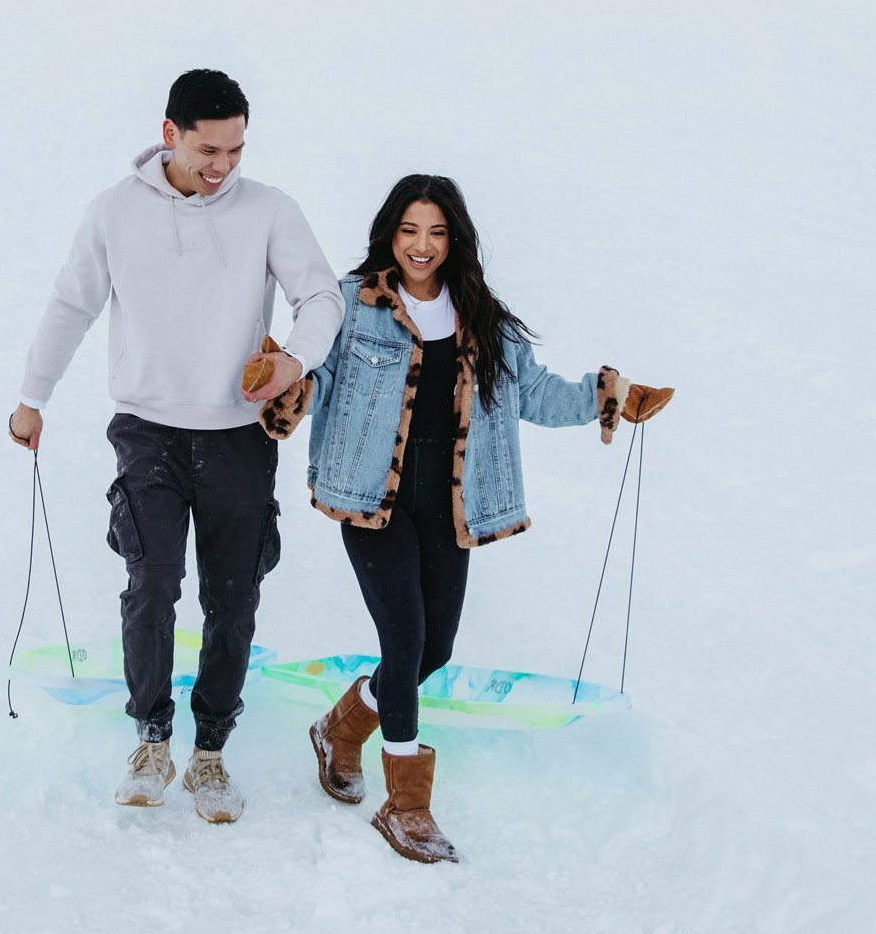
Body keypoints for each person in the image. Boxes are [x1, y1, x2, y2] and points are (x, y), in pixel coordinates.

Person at [260, 174, 669, 863]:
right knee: (406, 633)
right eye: (411, 230)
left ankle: (341, 728)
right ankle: (407, 805)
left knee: (433, 651)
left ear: (456, 239)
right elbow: (320, 376)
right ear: (391, 232)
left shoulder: (482, 316)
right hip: (372, 499)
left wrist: (611, 397)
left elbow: (534, 393)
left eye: (437, 232)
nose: (422, 246)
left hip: (448, 503)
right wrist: (291, 390)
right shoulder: (357, 306)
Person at [10, 69, 343, 824]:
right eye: (207, 149)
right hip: (147, 430)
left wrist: (296, 358)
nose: (223, 164)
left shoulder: (269, 210)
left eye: (235, 148)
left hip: (237, 438)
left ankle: (211, 752)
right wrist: (33, 397)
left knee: (232, 596)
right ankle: (152, 738)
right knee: (150, 583)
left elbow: (319, 295)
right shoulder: (114, 213)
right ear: (170, 135)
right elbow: (72, 303)